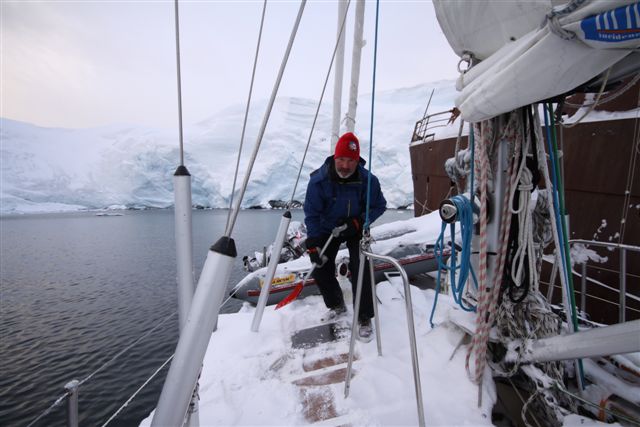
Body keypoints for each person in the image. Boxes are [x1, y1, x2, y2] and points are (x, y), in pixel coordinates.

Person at [304, 132, 387, 342]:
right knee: (320, 265)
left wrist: (360, 221)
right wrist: (313, 243)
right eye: (341, 159)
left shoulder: (368, 181)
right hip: (327, 227)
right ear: (334, 157)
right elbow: (312, 213)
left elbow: (380, 205)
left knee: (361, 265)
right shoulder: (318, 181)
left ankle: (364, 316)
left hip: (355, 227)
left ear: (357, 160)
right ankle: (337, 304)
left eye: (350, 160)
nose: (344, 165)